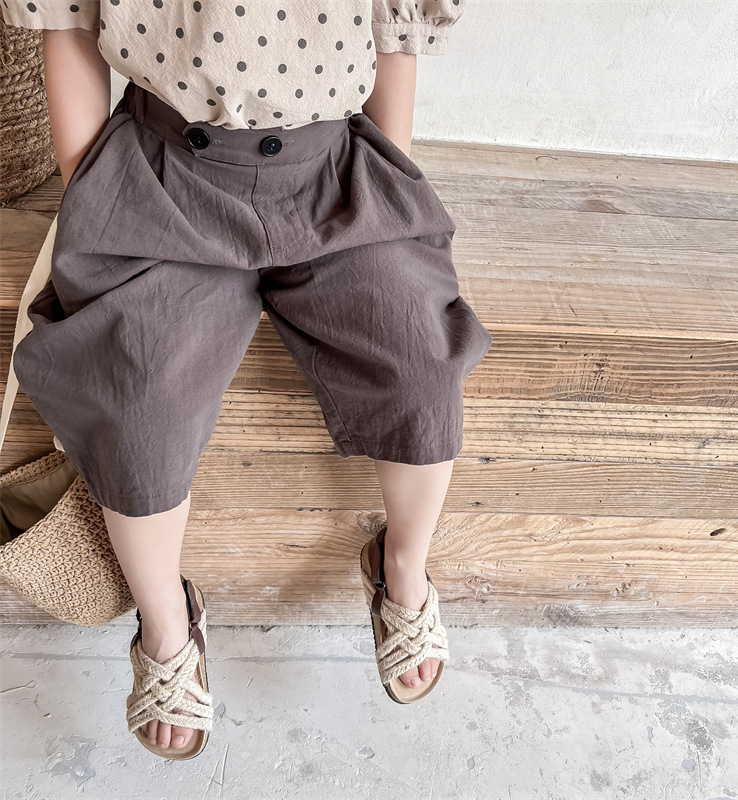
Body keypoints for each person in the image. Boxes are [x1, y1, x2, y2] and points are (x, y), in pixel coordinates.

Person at [2, 0, 491, 758]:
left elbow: (394, 27)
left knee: (421, 358)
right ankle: (167, 625)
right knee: (138, 404)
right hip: (160, 175)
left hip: (333, 171)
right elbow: (69, 20)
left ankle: (403, 565)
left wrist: (390, 188)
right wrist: (90, 189)